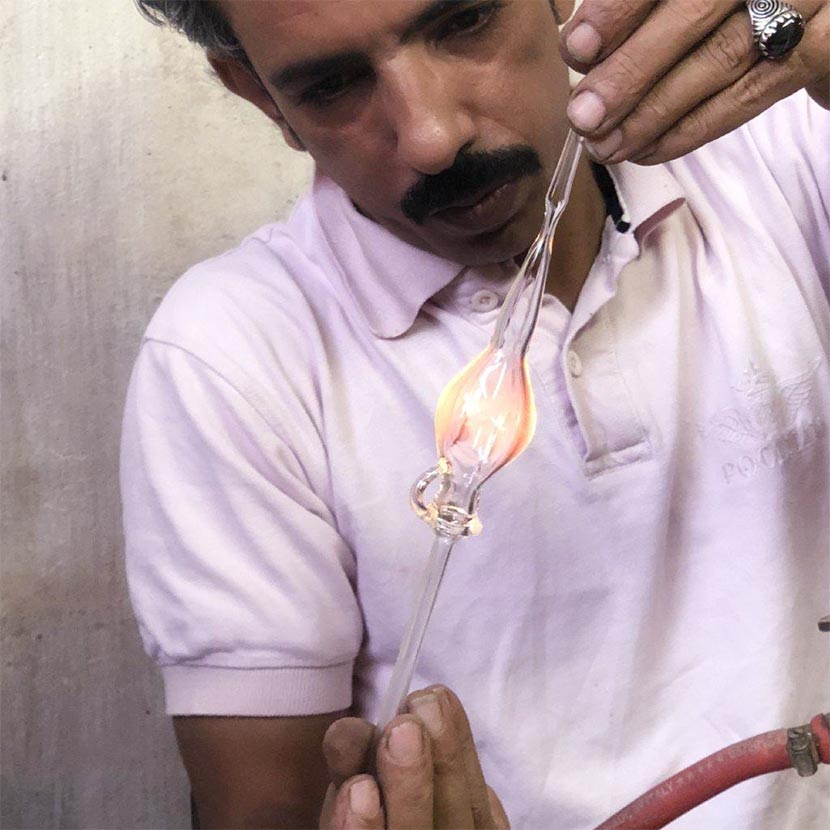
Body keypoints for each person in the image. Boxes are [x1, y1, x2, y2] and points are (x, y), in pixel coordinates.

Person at [121, 1, 830, 827]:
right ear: (256, 94)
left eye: (463, 22)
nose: (430, 137)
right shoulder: (231, 355)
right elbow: (265, 811)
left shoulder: (780, 145)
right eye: (334, 84)